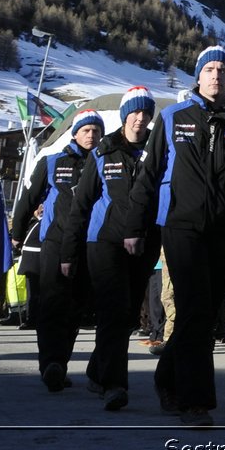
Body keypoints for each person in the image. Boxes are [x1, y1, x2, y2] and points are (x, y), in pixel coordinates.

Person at [128, 48, 225, 428]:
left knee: (206, 314)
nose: (216, 75)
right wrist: (135, 226)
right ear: (198, 76)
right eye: (209, 69)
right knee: (195, 308)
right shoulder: (173, 117)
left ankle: (166, 378)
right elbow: (148, 176)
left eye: (223, 70)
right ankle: (195, 403)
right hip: (182, 226)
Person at [60, 86, 159, 412]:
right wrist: (69, 252)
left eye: (146, 113)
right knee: (114, 310)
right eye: (135, 112)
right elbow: (81, 206)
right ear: (125, 114)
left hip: (143, 243)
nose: (141, 118)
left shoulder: (158, 152)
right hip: (104, 242)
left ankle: (96, 371)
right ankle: (115, 385)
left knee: (128, 314)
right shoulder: (102, 153)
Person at [12, 109, 103, 392]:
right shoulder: (52, 162)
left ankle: (60, 363)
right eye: (86, 130)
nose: (91, 135)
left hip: (88, 242)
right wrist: (16, 233)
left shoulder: (103, 162)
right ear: (74, 133)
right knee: (52, 303)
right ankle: (50, 364)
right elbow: (28, 198)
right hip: (54, 241)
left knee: (75, 307)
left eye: (96, 131)